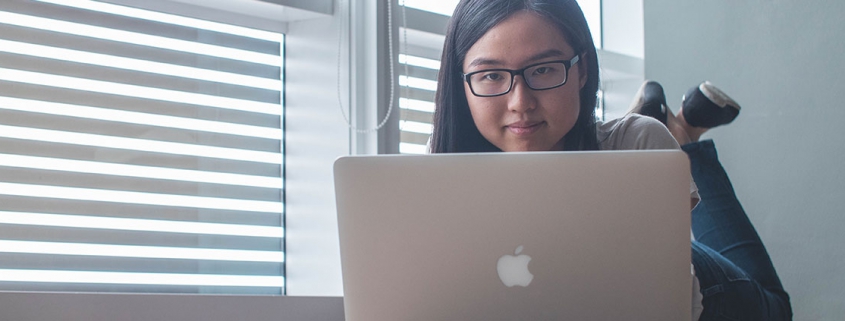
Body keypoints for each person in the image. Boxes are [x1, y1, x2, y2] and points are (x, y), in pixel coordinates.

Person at [428, 0, 792, 320]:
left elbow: (667, 306)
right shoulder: (433, 173)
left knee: (777, 307)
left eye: (543, 70)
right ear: (461, 84)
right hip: (633, 215)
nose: (520, 102)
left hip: (708, 294)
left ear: (582, 70)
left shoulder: (640, 141)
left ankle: (683, 140)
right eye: (491, 75)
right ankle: (685, 131)